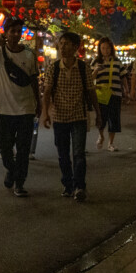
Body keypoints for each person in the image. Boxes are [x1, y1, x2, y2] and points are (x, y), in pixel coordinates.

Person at [0, 16, 38, 196]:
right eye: (12, 31)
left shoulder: (29, 54)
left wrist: (39, 103)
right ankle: (11, 170)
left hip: (26, 108)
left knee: (23, 150)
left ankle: (19, 183)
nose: (16, 35)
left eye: (19, 31)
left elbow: (34, 80)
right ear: (6, 33)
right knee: (5, 149)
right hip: (4, 110)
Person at [42, 31, 101, 201]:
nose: (62, 47)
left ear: (76, 47)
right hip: (59, 117)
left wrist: (98, 113)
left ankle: (79, 186)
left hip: (78, 117)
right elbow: (47, 92)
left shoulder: (83, 68)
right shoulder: (53, 68)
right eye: (61, 44)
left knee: (78, 154)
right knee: (63, 154)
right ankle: (68, 185)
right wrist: (45, 113)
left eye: (67, 44)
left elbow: (91, 91)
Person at [92, 35, 125, 152]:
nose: (105, 50)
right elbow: (90, 78)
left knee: (114, 119)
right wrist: (96, 70)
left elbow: (123, 76)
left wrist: (126, 90)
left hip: (115, 94)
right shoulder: (96, 62)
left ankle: (111, 143)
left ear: (111, 49)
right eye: (103, 48)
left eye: (107, 48)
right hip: (101, 95)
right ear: (99, 49)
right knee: (101, 118)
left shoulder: (117, 62)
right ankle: (101, 136)